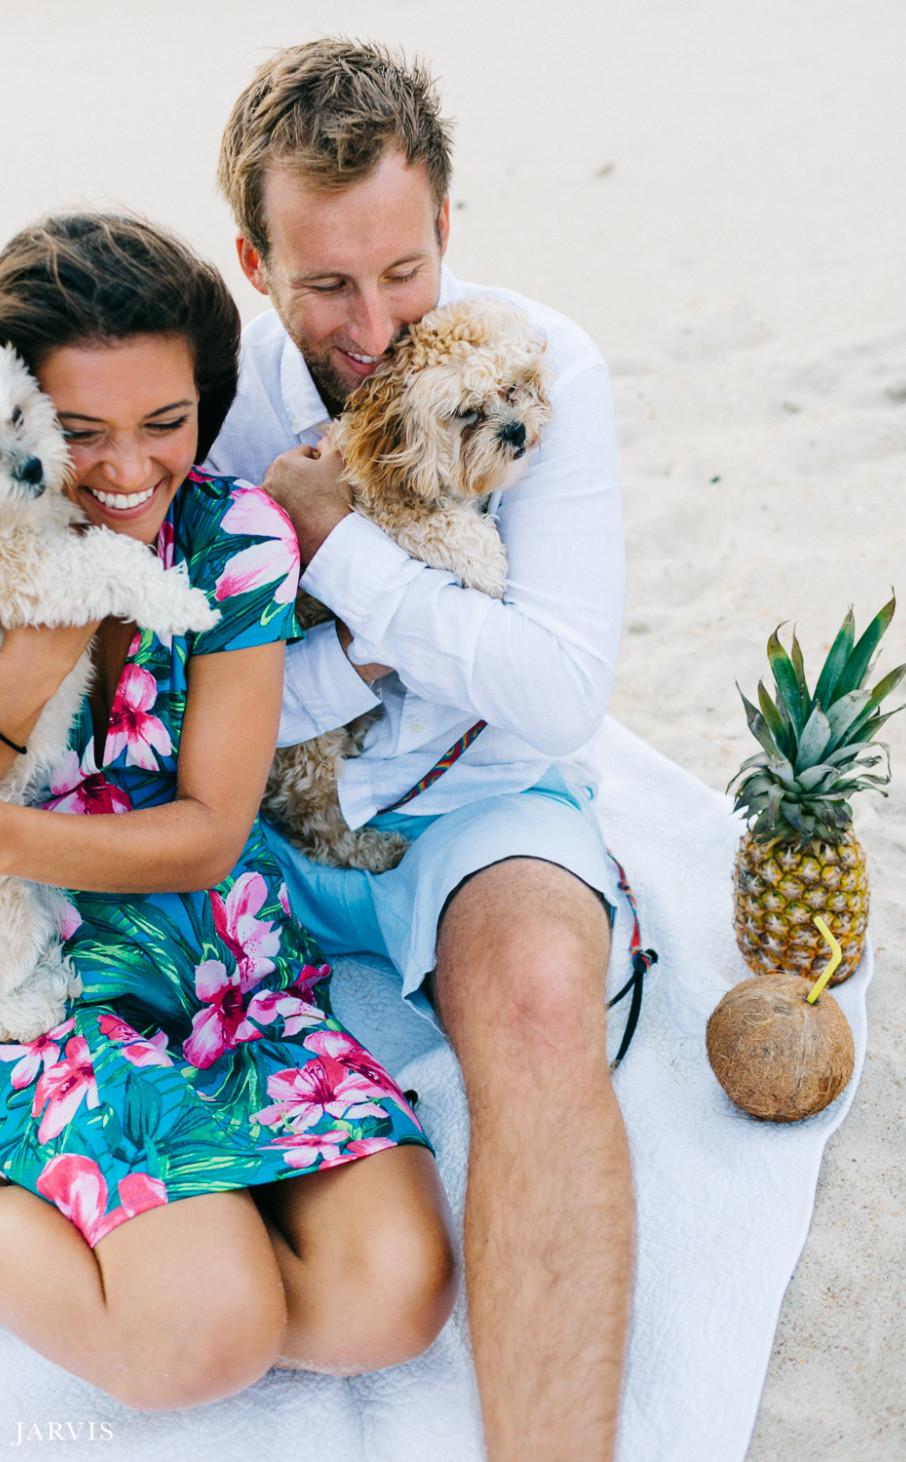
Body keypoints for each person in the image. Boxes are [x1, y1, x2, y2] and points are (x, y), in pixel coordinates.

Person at [0, 214, 457, 1406]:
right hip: (46, 977)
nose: (125, 470)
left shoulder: (231, 540)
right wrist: (38, 653)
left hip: (225, 970)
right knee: (200, 1337)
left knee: (390, 1298)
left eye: (166, 422)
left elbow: (206, 832)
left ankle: (7, 1257)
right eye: (79, 429)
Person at [205, 40, 631, 1462]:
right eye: (327, 284)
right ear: (254, 262)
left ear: (446, 222)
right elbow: (196, 708)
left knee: (542, 992)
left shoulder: (537, 366)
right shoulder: (207, 398)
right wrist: (373, 650)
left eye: (404, 269)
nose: (377, 324)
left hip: (478, 802)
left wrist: (346, 558)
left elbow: (557, 695)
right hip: (242, 809)